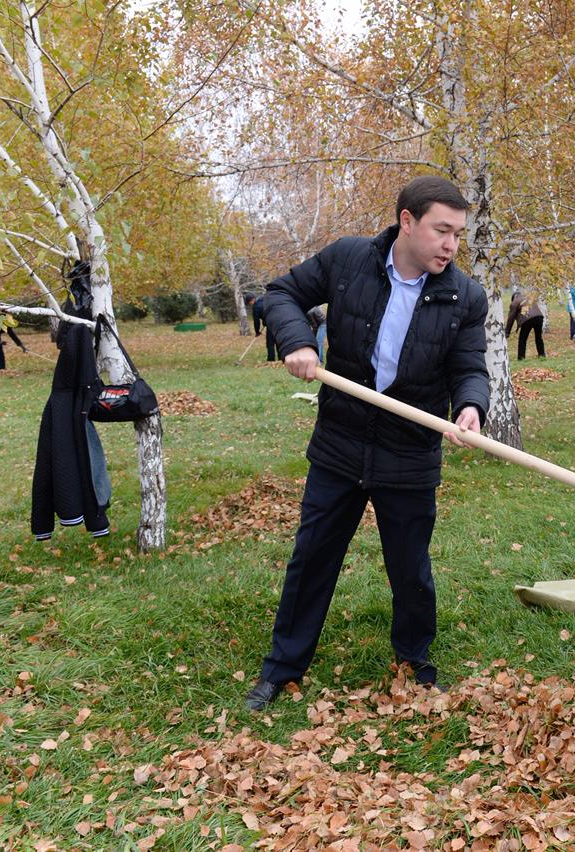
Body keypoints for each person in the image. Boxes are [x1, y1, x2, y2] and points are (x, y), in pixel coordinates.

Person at [244, 176, 490, 711]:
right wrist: (299, 340)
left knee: (410, 568)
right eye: (441, 231)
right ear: (407, 221)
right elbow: (281, 294)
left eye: (458, 234)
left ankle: (415, 662)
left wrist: (471, 406)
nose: (451, 245)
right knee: (312, 559)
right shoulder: (348, 260)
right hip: (340, 442)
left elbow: (470, 366)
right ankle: (282, 668)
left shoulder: (464, 296)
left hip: (409, 450)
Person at [504, 288, 545, 360]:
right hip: (539, 317)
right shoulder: (528, 298)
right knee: (538, 337)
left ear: (513, 297)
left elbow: (511, 318)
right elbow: (531, 310)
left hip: (527, 320)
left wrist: (507, 332)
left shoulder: (515, 302)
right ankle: (542, 355)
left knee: (522, 339)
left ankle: (521, 357)